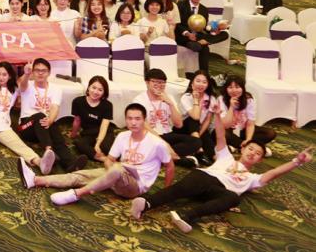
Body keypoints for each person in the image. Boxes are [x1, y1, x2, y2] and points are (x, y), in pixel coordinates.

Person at [131, 100, 312, 233]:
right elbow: (220, 136)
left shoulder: (252, 179)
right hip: (205, 178)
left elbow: (274, 172)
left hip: (217, 191)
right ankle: (146, 204)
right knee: (179, 190)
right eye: (251, 149)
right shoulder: (226, 156)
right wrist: (217, 115)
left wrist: (297, 161)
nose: (252, 153)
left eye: (257, 153)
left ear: (259, 160)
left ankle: (185, 216)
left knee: (233, 197)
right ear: (243, 148)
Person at [21, 103, 175, 207]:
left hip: (135, 186)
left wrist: (165, 193)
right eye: (129, 118)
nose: (133, 122)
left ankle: (77, 194)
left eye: (137, 119)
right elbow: (109, 160)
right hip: (117, 175)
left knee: (117, 169)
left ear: (144, 120)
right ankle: (36, 180)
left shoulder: (156, 143)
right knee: (79, 175)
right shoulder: (123, 136)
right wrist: (110, 169)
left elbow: (170, 166)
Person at [16, 58, 86, 173]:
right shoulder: (27, 85)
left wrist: (50, 120)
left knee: (52, 124)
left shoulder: (55, 88)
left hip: (43, 127)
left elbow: (55, 107)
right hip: (26, 127)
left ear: (49, 73)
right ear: (33, 72)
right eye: (37, 70)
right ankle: (49, 151)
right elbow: (21, 85)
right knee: (40, 116)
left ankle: (69, 163)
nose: (40, 73)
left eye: (43, 70)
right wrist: (26, 74)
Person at [136, 69, 203, 166]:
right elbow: (143, 127)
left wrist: (170, 103)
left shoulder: (168, 97)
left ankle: (161, 157)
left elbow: (179, 124)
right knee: (148, 145)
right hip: (150, 136)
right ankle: (175, 158)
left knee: (196, 142)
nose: (159, 85)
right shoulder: (139, 100)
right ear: (147, 82)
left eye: (162, 83)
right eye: (155, 82)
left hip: (168, 134)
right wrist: (164, 144)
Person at [175, 0, 229, 71]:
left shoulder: (204, 9)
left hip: (198, 36)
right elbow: (177, 24)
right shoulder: (180, 5)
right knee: (203, 48)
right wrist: (188, 34)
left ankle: (204, 42)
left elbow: (203, 28)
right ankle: (205, 73)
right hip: (184, 37)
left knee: (225, 34)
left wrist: (215, 30)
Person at [219, 75, 277, 149]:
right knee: (221, 133)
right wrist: (231, 107)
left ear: (243, 88)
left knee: (270, 133)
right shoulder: (221, 99)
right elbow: (225, 125)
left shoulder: (249, 100)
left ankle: (243, 145)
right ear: (226, 89)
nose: (234, 90)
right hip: (229, 130)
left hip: (243, 130)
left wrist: (248, 139)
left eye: (237, 87)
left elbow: (250, 124)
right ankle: (249, 146)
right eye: (230, 87)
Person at [69, 76, 115, 163]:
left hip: (105, 132)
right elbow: (77, 120)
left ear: (104, 92)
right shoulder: (78, 101)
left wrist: (98, 144)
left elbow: (104, 127)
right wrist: (73, 134)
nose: (95, 92)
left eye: (100, 90)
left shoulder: (107, 105)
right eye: (93, 88)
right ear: (88, 87)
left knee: (105, 148)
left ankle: (114, 156)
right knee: (79, 143)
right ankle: (104, 159)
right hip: (88, 133)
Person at [177, 71, 217, 166]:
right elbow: (196, 116)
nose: (201, 84)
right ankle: (199, 151)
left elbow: (207, 120)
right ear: (192, 83)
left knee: (208, 141)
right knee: (193, 120)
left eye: (204, 82)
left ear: (208, 84)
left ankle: (215, 159)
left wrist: (199, 135)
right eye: (198, 81)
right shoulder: (186, 97)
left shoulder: (211, 99)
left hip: (198, 130)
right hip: (183, 128)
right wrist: (196, 99)